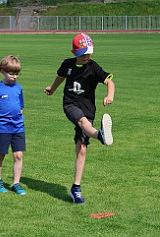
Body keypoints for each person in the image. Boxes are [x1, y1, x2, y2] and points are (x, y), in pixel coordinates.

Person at [44, 33, 115, 204]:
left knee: (82, 148)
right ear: (73, 52)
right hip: (70, 105)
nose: (86, 56)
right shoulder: (67, 64)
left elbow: (109, 81)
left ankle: (76, 187)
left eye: (88, 52)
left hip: (88, 109)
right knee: (83, 123)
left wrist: (109, 95)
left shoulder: (93, 67)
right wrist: (52, 89)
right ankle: (101, 135)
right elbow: (60, 78)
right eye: (82, 53)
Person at [0, 55, 26, 195]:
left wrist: (18, 118)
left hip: (18, 127)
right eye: (11, 73)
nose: (15, 76)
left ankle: (16, 183)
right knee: (1, 154)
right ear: (2, 70)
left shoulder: (19, 88)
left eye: (17, 73)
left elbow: (21, 107)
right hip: (2, 128)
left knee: (19, 155)